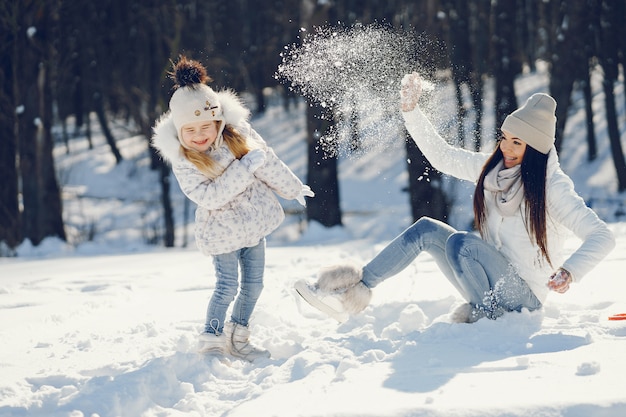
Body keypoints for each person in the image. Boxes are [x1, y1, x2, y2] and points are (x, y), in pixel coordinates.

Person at [295, 72, 615, 324]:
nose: (506, 148)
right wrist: (412, 111)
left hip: (524, 296)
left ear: (536, 149)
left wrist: (569, 270)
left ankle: (488, 317)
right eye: (504, 138)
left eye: (517, 143)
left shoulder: (552, 187)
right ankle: (352, 291)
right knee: (426, 230)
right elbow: (443, 158)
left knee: (462, 243)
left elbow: (602, 235)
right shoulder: (494, 170)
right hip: (487, 280)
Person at [152, 55, 313, 360]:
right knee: (227, 287)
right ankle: (212, 340)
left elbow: (267, 161)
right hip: (222, 234)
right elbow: (211, 197)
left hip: (254, 225)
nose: (199, 136)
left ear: (218, 121)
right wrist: (244, 169)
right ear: (180, 131)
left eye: (205, 127)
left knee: (254, 287)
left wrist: (292, 188)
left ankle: (238, 336)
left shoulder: (240, 136)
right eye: (191, 130)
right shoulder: (185, 161)